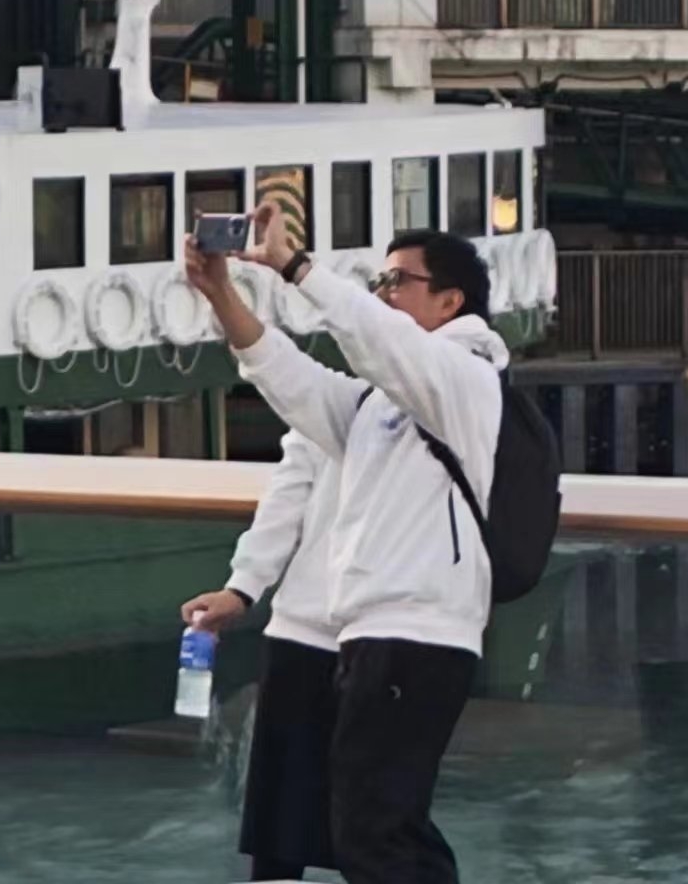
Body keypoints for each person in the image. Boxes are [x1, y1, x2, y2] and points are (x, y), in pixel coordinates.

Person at [184, 204, 508, 884]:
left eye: (399, 281)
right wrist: (221, 295)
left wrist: (295, 266)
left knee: (378, 832)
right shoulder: (377, 404)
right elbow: (290, 378)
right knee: (365, 827)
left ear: (450, 301)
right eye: (380, 281)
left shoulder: (467, 379)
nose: (383, 293)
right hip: (368, 632)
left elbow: (377, 336)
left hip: (421, 633)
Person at [179, 428, 342, 882]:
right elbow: (289, 490)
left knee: (384, 820)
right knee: (277, 827)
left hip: (402, 632)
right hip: (304, 624)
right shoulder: (322, 403)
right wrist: (242, 587)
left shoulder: (451, 396)